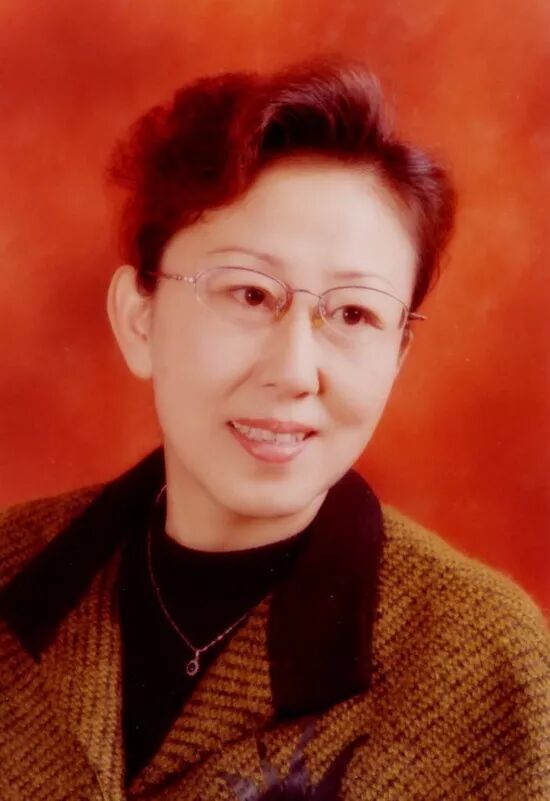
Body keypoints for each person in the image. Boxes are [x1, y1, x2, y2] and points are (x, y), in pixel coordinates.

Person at [0, 57, 548, 801]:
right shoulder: (11, 568)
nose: (295, 371)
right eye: (251, 294)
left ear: (397, 355)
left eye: (353, 313)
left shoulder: (488, 664)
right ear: (139, 319)